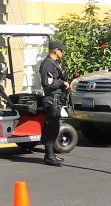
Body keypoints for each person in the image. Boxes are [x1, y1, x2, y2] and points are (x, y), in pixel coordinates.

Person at [38, 39, 70, 167]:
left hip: (56, 99)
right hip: (51, 99)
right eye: (61, 50)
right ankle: (49, 156)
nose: (62, 52)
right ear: (55, 50)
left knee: (54, 127)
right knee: (51, 127)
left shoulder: (54, 63)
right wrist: (62, 83)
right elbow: (48, 83)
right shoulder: (48, 64)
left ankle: (50, 155)